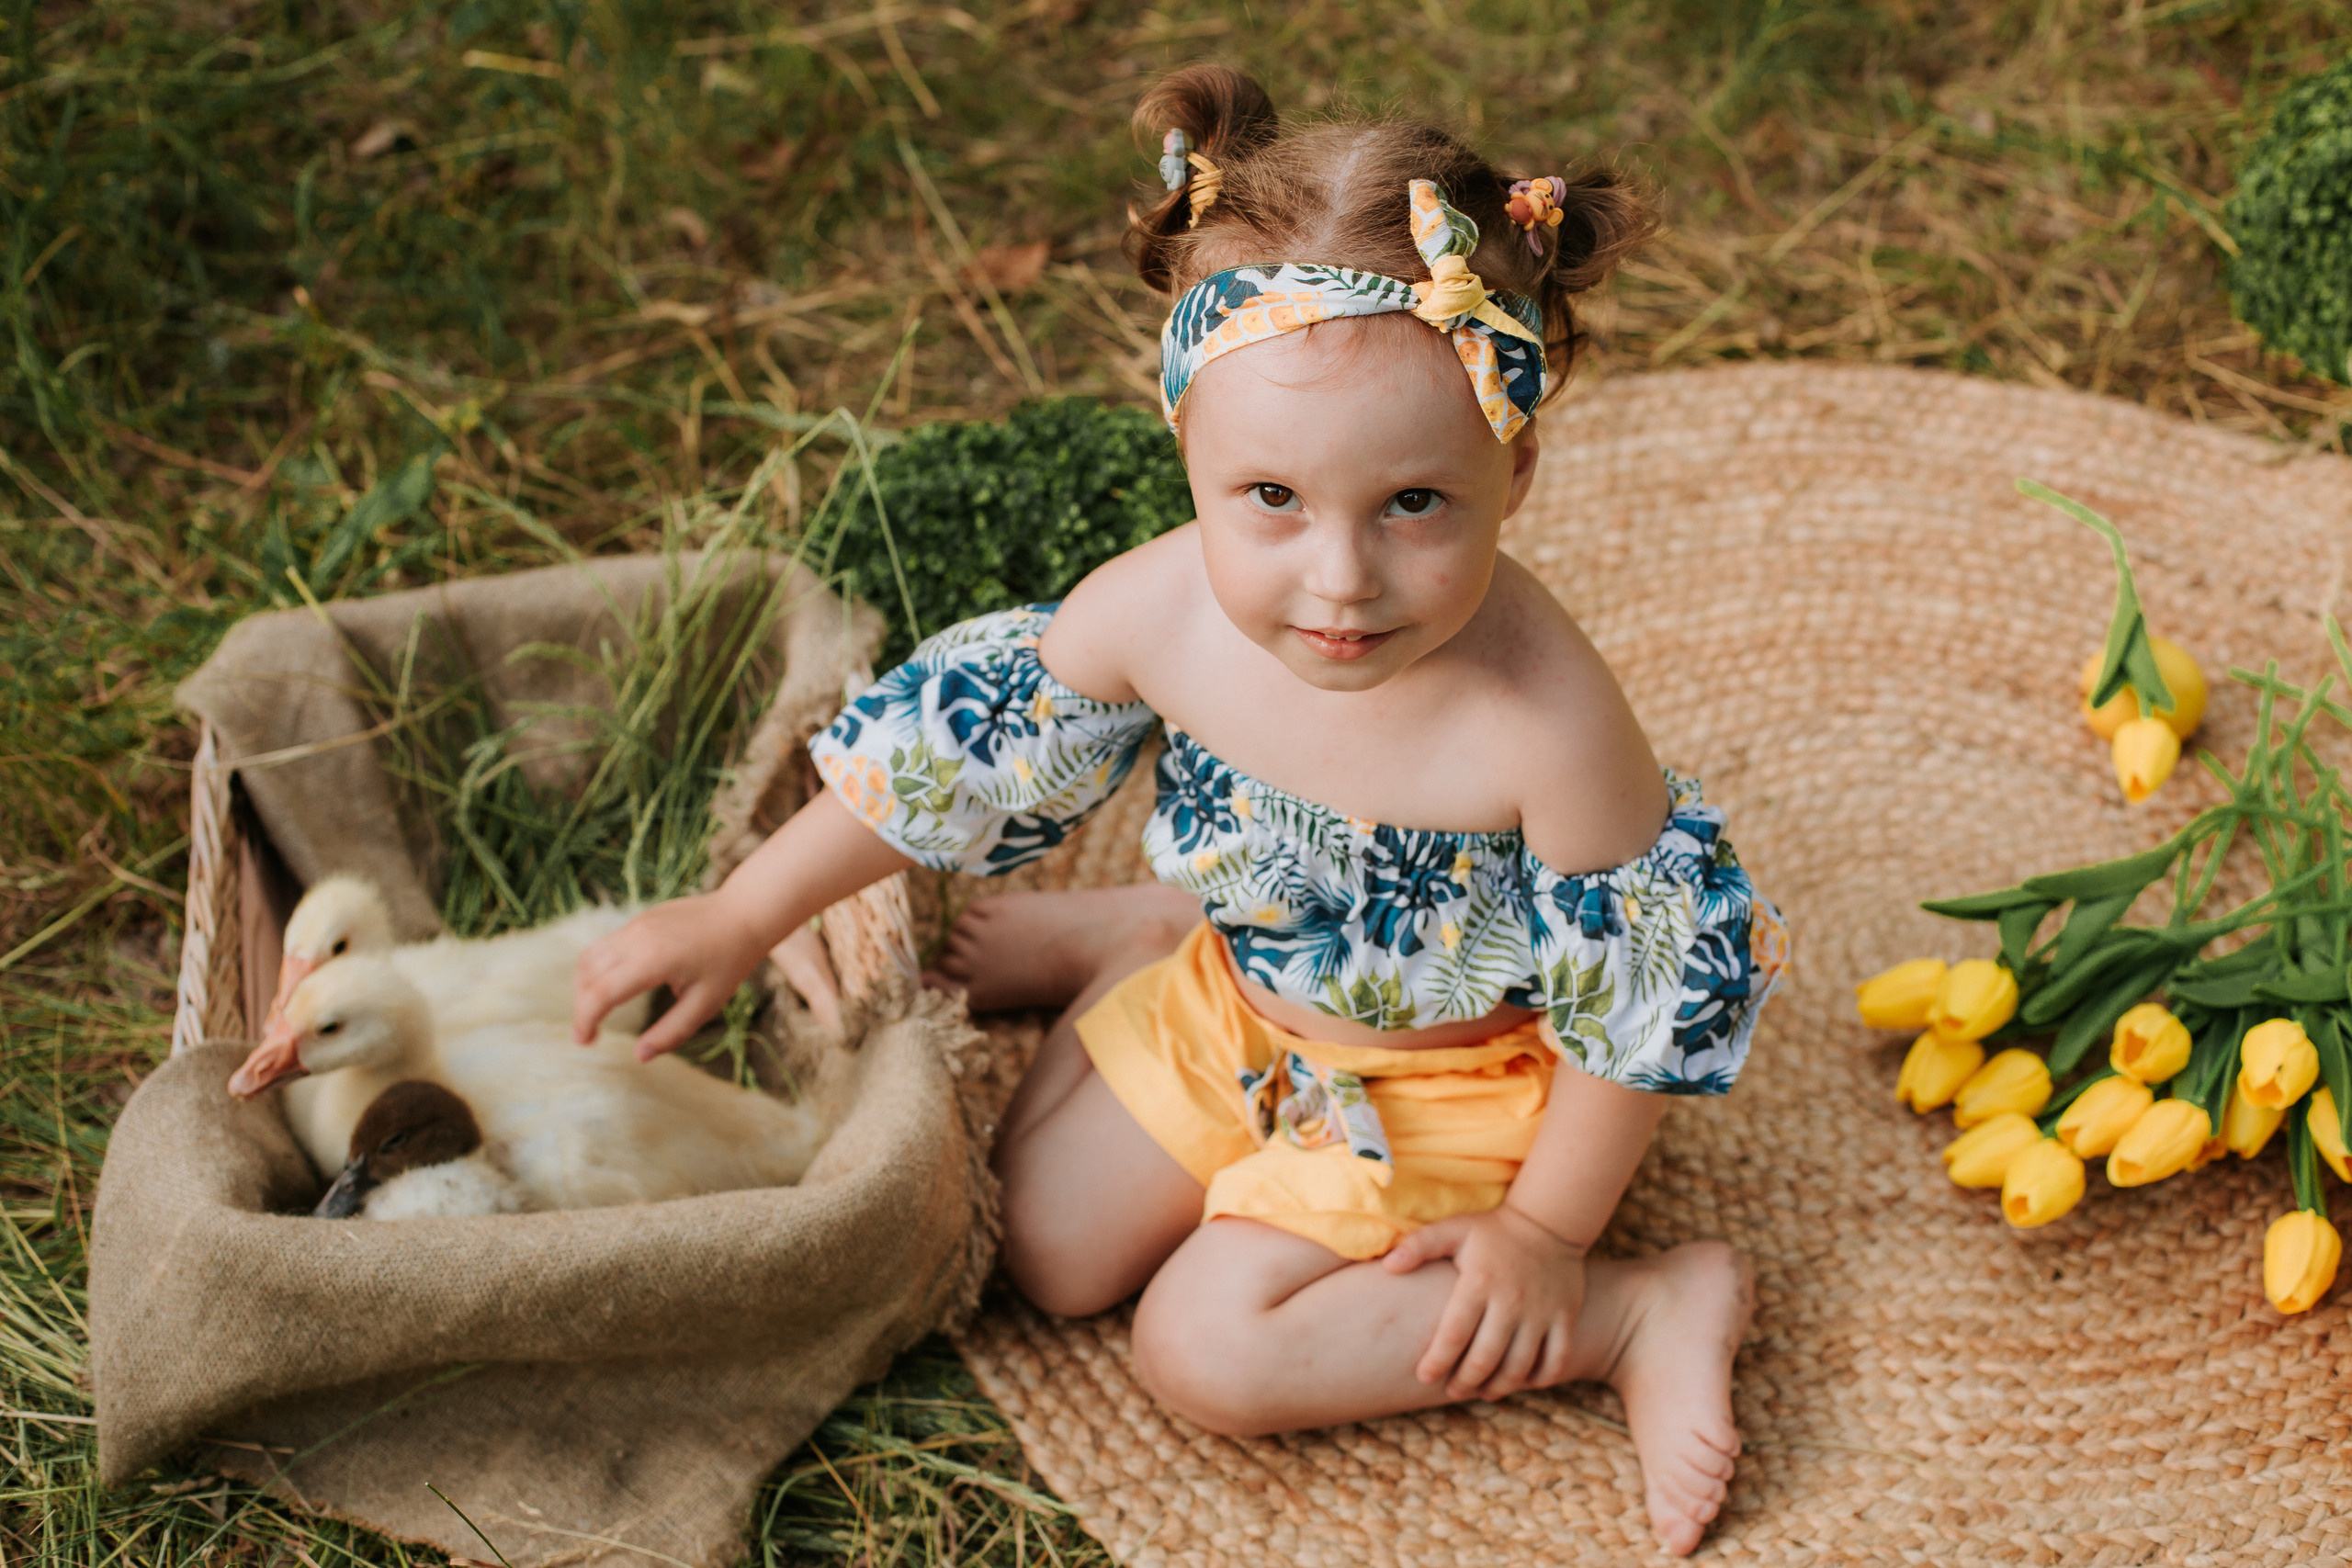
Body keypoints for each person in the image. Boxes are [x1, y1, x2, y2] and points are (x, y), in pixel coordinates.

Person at [573, 63, 1788, 1557]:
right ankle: (1151, 929)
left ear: (1513, 467)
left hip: (1466, 1079)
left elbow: (1640, 1001)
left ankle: (1641, 1314)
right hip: (1248, 998)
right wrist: (744, 909)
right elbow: (970, 753)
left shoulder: (1545, 724)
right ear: (1189, 455)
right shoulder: (1159, 615)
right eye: (1269, 498)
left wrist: (1548, 1236)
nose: (1337, 581)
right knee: (1051, 1248)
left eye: (1415, 504)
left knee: (1204, 1355)